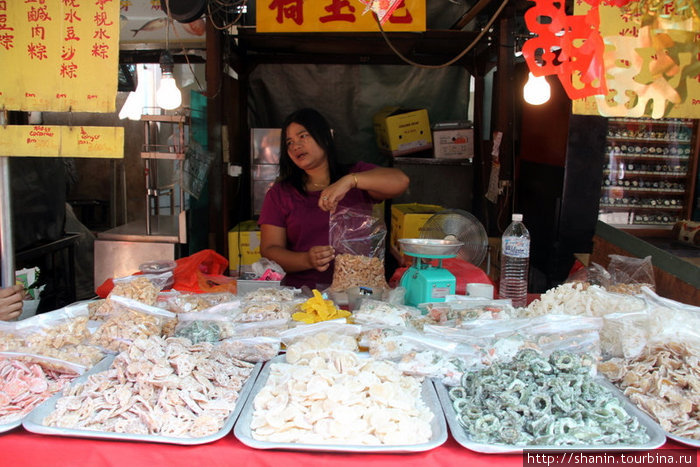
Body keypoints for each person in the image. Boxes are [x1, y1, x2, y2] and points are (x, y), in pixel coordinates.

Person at [258, 108, 410, 289]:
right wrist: (306, 259)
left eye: (303, 136)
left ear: (325, 137)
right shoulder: (280, 193)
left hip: (358, 291)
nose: (295, 146)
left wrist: (350, 181)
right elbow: (269, 250)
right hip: (304, 293)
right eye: (289, 142)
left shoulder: (356, 175)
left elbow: (401, 181)